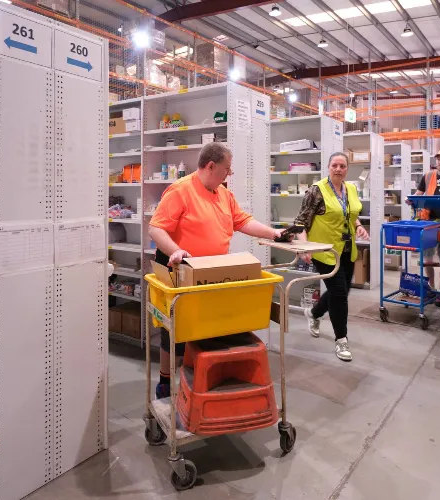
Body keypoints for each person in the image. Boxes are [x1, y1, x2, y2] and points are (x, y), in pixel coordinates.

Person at [148, 142, 283, 399]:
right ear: (211, 166)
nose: (228, 174)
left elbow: (242, 220)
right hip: (180, 269)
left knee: (206, 328)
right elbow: (156, 228)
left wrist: (274, 233)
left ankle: (201, 378)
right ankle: (165, 381)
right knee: (174, 329)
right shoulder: (180, 191)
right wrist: (176, 250)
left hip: (211, 273)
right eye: (226, 169)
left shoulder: (223, 193)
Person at [292, 152, 369, 362]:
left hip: (346, 249)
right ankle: (341, 339)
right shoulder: (316, 191)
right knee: (339, 294)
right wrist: (304, 247)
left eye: (342, 166)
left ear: (347, 169)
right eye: (334, 165)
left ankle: (314, 313)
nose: (338, 169)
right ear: (328, 167)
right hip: (324, 252)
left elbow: (350, 214)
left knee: (343, 291)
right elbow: (301, 221)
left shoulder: (351, 188)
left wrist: (359, 226)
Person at [411, 147, 440, 293]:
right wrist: (412, 200)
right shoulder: (428, 176)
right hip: (428, 225)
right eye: (438, 159)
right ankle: (431, 287)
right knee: (427, 261)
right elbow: (418, 194)